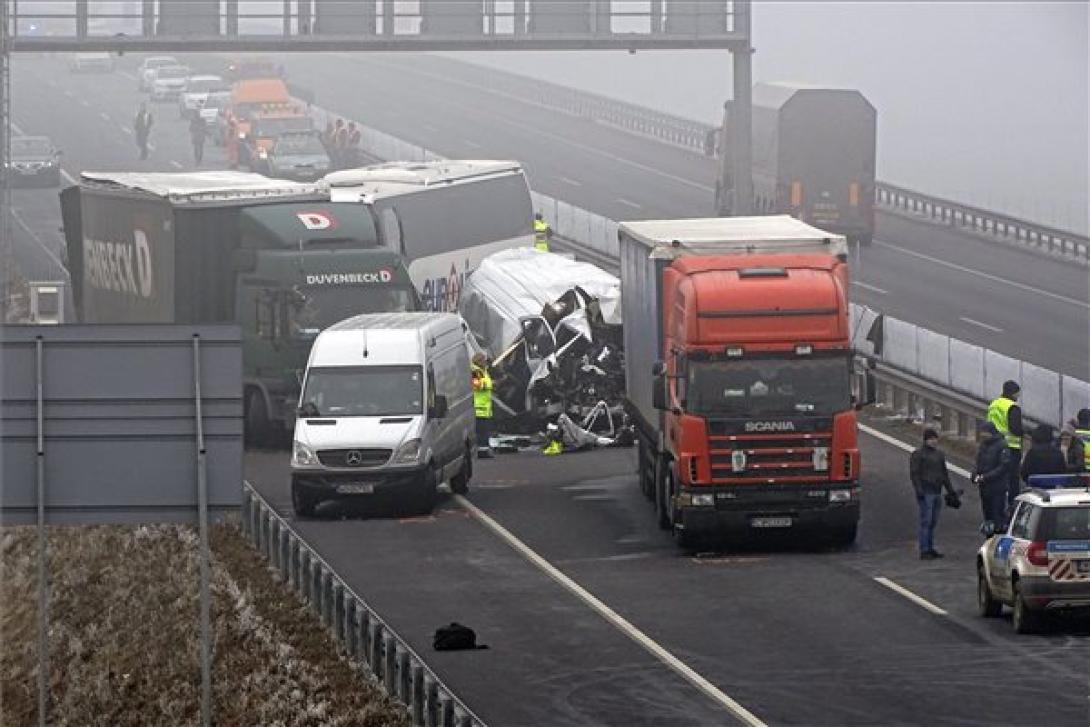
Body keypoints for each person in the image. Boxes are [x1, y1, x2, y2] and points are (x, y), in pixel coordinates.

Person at [909, 428, 958, 559]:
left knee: (933, 522)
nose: (934, 441)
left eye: (935, 438)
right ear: (925, 440)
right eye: (931, 439)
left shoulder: (939, 455)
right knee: (926, 521)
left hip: (937, 492)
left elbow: (944, 474)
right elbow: (915, 474)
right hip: (926, 492)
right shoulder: (918, 455)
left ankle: (929, 547)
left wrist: (951, 491)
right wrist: (919, 490)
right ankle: (924, 549)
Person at [987, 380, 1024, 510]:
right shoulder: (1012, 407)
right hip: (1011, 447)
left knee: (997, 478)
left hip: (993, 446)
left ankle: (996, 509)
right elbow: (1016, 429)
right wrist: (1026, 433)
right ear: (1013, 393)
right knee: (1013, 481)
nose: (1018, 396)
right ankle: (1012, 509)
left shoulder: (994, 404)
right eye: (1017, 393)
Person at [973, 422, 1011, 530]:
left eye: (985, 433)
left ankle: (997, 537)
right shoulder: (983, 445)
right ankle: (989, 538)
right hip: (985, 488)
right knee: (988, 517)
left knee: (997, 515)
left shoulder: (1002, 445)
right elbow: (978, 462)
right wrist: (975, 474)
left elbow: (1004, 466)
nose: (982, 435)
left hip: (997, 488)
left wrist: (986, 477)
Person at [471, 353, 494, 459]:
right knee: (482, 432)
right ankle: (482, 452)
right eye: (484, 361)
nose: (485, 363)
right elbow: (476, 385)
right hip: (479, 408)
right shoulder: (475, 371)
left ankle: (484, 450)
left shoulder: (481, 371)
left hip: (484, 408)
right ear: (479, 361)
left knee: (484, 431)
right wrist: (490, 384)